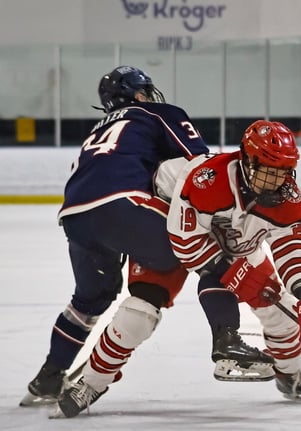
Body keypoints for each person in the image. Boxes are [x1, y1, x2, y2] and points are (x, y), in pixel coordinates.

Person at [53, 120, 301, 418]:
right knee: (138, 314)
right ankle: (91, 383)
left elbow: (291, 245)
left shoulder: (286, 195)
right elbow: (186, 244)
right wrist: (237, 274)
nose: (277, 181)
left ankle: (290, 377)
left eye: (284, 172)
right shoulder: (208, 180)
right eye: (270, 171)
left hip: (235, 242)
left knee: (283, 312)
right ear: (247, 161)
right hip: (170, 232)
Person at [19, 65, 218, 409]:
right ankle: (232, 337)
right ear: (138, 94)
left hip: (75, 216)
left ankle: (48, 377)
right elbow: (203, 169)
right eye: (146, 92)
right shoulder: (159, 113)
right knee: (202, 249)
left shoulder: (96, 130)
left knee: (90, 299)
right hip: (124, 207)